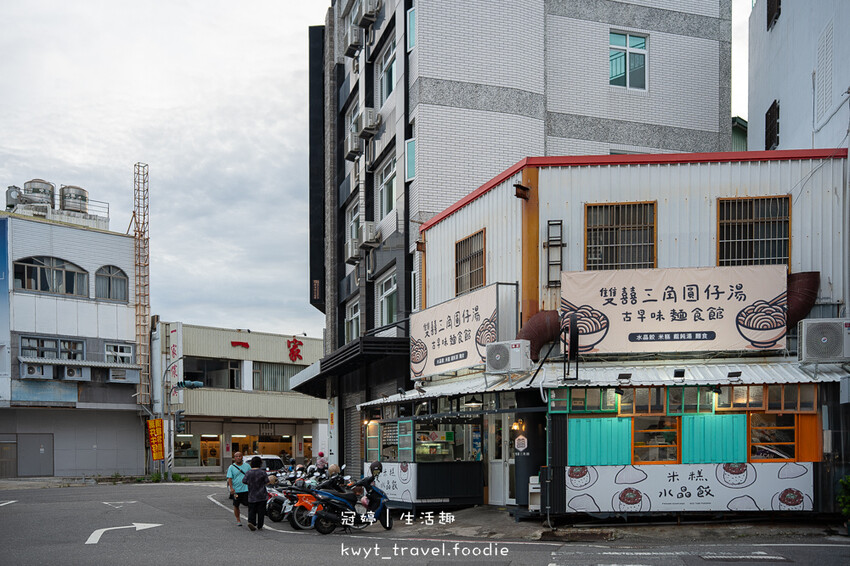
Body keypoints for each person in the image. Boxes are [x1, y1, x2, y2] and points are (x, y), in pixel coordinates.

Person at [244, 455, 271, 531]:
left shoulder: (248, 473)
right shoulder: (262, 472)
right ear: (260, 463)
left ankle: (251, 522)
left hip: (252, 495)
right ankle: (260, 525)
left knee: (251, 510)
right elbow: (267, 482)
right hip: (262, 495)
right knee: (261, 511)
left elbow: (244, 481)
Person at [226, 451, 250, 527]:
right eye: (237, 456)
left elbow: (250, 476)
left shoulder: (247, 466)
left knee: (250, 505)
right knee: (236, 505)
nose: (238, 457)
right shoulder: (231, 467)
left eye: (240, 456)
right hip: (237, 490)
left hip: (246, 489)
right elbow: (229, 478)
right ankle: (238, 520)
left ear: (242, 457)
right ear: (234, 458)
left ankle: (250, 520)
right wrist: (231, 488)